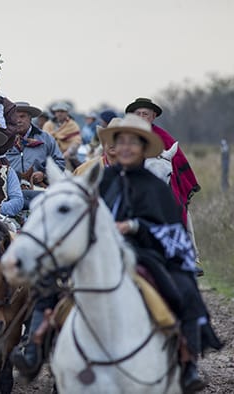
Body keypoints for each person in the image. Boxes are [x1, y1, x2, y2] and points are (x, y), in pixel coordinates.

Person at [98, 114, 221, 392]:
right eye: (121, 142)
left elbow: (171, 230)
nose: (127, 147)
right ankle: (39, 345)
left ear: (143, 148)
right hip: (104, 253)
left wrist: (134, 226)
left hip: (145, 253)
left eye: (134, 142)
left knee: (183, 290)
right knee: (54, 286)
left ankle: (187, 361)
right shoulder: (104, 179)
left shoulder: (156, 185)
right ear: (114, 147)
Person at [125, 97, 202, 274]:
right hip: (131, 183)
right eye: (138, 114)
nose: (142, 117)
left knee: (180, 210)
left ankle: (188, 255)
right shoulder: (125, 136)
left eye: (146, 114)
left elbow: (176, 160)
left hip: (161, 183)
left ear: (153, 117)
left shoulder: (163, 137)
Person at [6, 102, 65, 188]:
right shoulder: (4, 139)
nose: (18, 120)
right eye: (15, 117)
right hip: (10, 189)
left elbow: (60, 162)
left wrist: (44, 175)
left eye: (22, 116)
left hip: (39, 189)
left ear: (30, 118)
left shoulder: (46, 138)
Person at [43, 102, 82, 169]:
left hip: (67, 156)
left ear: (67, 113)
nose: (59, 113)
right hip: (50, 156)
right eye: (57, 111)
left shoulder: (72, 125)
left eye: (62, 111)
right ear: (55, 113)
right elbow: (44, 140)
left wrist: (68, 152)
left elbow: (76, 141)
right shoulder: (48, 125)